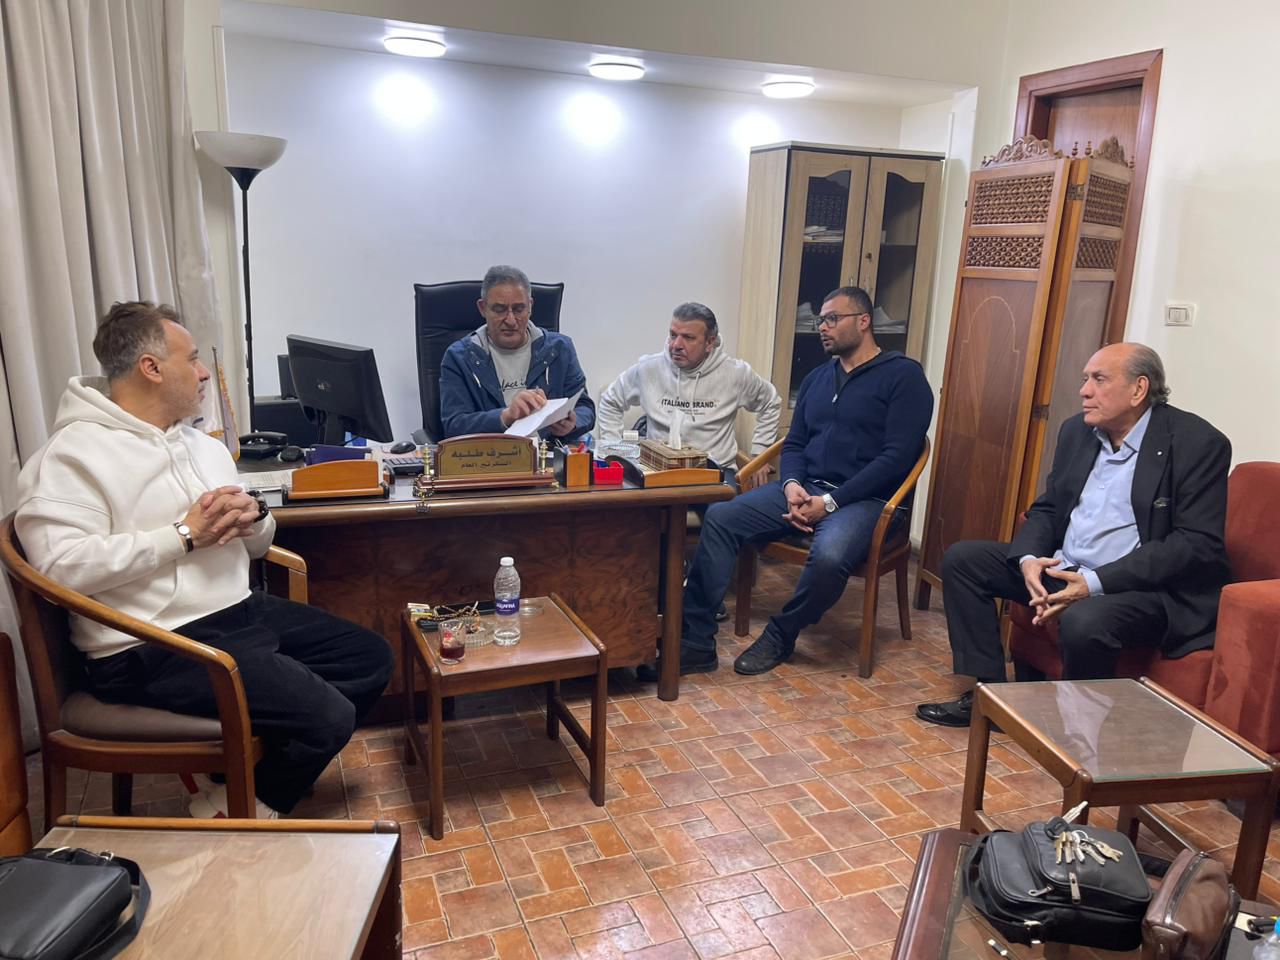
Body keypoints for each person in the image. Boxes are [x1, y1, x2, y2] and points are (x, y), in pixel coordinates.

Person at [14, 301, 394, 817]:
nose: (203, 373)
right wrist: (183, 536)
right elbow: (58, 569)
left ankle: (236, 783)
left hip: (237, 612)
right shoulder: (70, 456)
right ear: (151, 368)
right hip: (145, 643)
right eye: (192, 359)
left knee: (369, 658)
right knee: (325, 716)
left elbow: (256, 546)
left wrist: (255, 517)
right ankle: (241, 807)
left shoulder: (203, 447)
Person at [916, 343, 1231, 728]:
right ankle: (991, 699)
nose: (1084, 391)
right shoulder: (1077, 432)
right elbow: (1050, 506)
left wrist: (1094, 583)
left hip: (1140, 589)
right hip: (1067, 569)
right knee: (964, 560)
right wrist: (1029, 560)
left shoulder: (1196, 443)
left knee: (1084, 620)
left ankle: (1077, 731)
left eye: (1099, 379)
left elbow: (1195, 544)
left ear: (1139, 389)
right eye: (1085, 379)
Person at [638, 286, 933, 679]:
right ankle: (695, 643)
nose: (822, 327)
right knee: (722, 517)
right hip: (806, 488)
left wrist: (830, 503)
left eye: (832, 319)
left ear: (864, 321)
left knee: (829, 558)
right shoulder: (817, 378)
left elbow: (896, 459)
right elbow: (794, 443)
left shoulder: (903, 377)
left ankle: (782, 633)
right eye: (821, 320)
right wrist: (792, 483)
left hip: (867, 501)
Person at [596, 301, 782, 480]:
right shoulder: (648, 368)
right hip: (658, 469)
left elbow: (771, 402)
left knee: (723, 504)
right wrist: (614, 452)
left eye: (688, 338)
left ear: (709, 342)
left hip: (715, 471)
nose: (676, 345)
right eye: (673, 335)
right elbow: (610, 401)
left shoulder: (736, 374)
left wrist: (760, 454)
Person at [439, 264, 594, 442]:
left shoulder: (560, 349)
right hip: (491, 454)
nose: (511, 320)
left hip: (549, 453)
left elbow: (586, 408)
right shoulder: (459, 358)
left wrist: (573, 422)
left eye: (519, 309)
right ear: (483, 308)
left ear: (530, 307)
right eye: (500, 310)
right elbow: (454, 425)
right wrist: (506, 416)